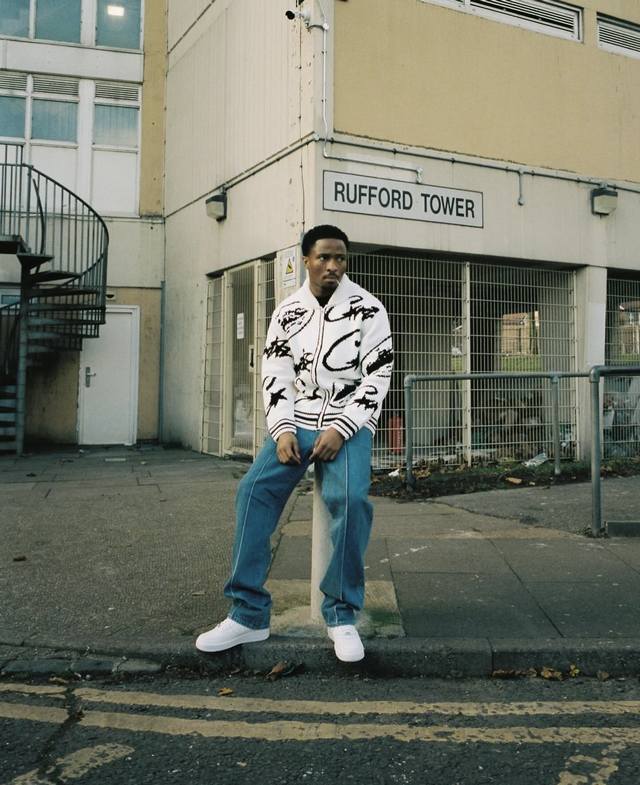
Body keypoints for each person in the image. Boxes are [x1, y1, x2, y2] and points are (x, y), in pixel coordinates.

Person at [195, 225, 393, 662]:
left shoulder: (369, 309)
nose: (333, 266)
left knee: (350, 500)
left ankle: (341, 614)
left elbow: (378, 376)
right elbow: (276, 374)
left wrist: (342, 428)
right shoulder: (287, 311)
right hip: (297, 420)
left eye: (340, 258)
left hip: (348, 423)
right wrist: (282, 428)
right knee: (253, 492)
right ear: (306, 260)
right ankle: (248, 614)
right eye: (324, 257)